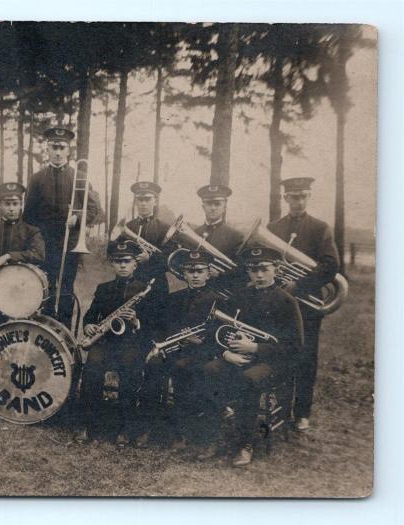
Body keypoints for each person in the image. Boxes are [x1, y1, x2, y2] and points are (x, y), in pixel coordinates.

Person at [200, 246, 303, 467]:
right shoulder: (240, 296)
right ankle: (213, 437)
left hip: (273, 363)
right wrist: (226, 353)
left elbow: (295, 347)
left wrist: (256, 348)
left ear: (276, 269)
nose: (259, 275)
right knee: (209, 370)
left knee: (248, 379)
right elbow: (217, 331)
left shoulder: (287, 301)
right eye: (253, 270)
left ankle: (244, 443)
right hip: (239, 357)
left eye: (264, 269)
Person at [267, 177, 339, 431]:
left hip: (307, 305)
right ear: (285, 198)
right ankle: (281, 407)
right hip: (279, 305)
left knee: (306, 357)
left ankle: (302, 412)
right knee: (279, 353)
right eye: (293, 197)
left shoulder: (320, 228)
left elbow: (331, 266)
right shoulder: (273, 228)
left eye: (302, 196)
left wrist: (298, 286)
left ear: (308, 197)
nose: (298, 201)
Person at [75, 240, 155, 447]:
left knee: (130, 371)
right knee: (92, 368)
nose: (122, 265)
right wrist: (89, 326)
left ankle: (126, 427)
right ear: (112, 264)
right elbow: (91, 315)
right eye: (118, 261)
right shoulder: (104, 288)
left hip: (132, 342)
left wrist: (136, 320)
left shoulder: (145, 290)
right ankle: (87, 425)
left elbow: (155, 324)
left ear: (135, 263)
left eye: (126, 261)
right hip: (106, 341)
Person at [143, 250, 222, 451]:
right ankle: (153, 425)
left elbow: (221, 337)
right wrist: (161, 344)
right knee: (152, 365)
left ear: (208, 273)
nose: (195, 276)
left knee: (181, 369)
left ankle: (181, 432)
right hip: (173, 349)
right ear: (183, 274)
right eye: (190, 271)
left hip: (201, 353)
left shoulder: (218, 300)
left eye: (199, 271)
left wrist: (198, 342)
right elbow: (162, 327)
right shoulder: (174, 297)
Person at [23, 127, 101, 327]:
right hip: (44, 244)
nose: (57, 152)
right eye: (53, 147)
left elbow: (94, 209)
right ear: (47, 149)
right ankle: (45, 326)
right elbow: (29, 215)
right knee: (45, 286)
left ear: (69, 151)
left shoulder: (80, 177)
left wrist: (77, 217)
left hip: (71, 243)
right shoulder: (37, 178)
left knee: (66, 287)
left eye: (62, 148)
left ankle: (64, 330)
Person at [0, 182, 46, 330]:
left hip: (24, 292)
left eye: (15, 203)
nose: (11, 208)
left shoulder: (32, 231)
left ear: (21, 205)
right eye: (7, 204)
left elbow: (39, 255)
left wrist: (8, 256)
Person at [192, 184, 245, 294]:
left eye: (217, 204)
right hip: (194, 292)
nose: (213, 208)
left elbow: (242, 270)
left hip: (220, 292)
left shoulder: (235, 236)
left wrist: (220, 274)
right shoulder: (194, 233)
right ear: (203, 206)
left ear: (224, 207)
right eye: (209, 203)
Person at [121, 181, 170, 299]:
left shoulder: (165, 228)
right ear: (135, 201)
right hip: (130, 283)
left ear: (155, 201)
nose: (143, 203)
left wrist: (150, 258)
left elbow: (170, 259)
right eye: (140, 199)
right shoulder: (127, 227)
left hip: (156, 284)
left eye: (147, 199)